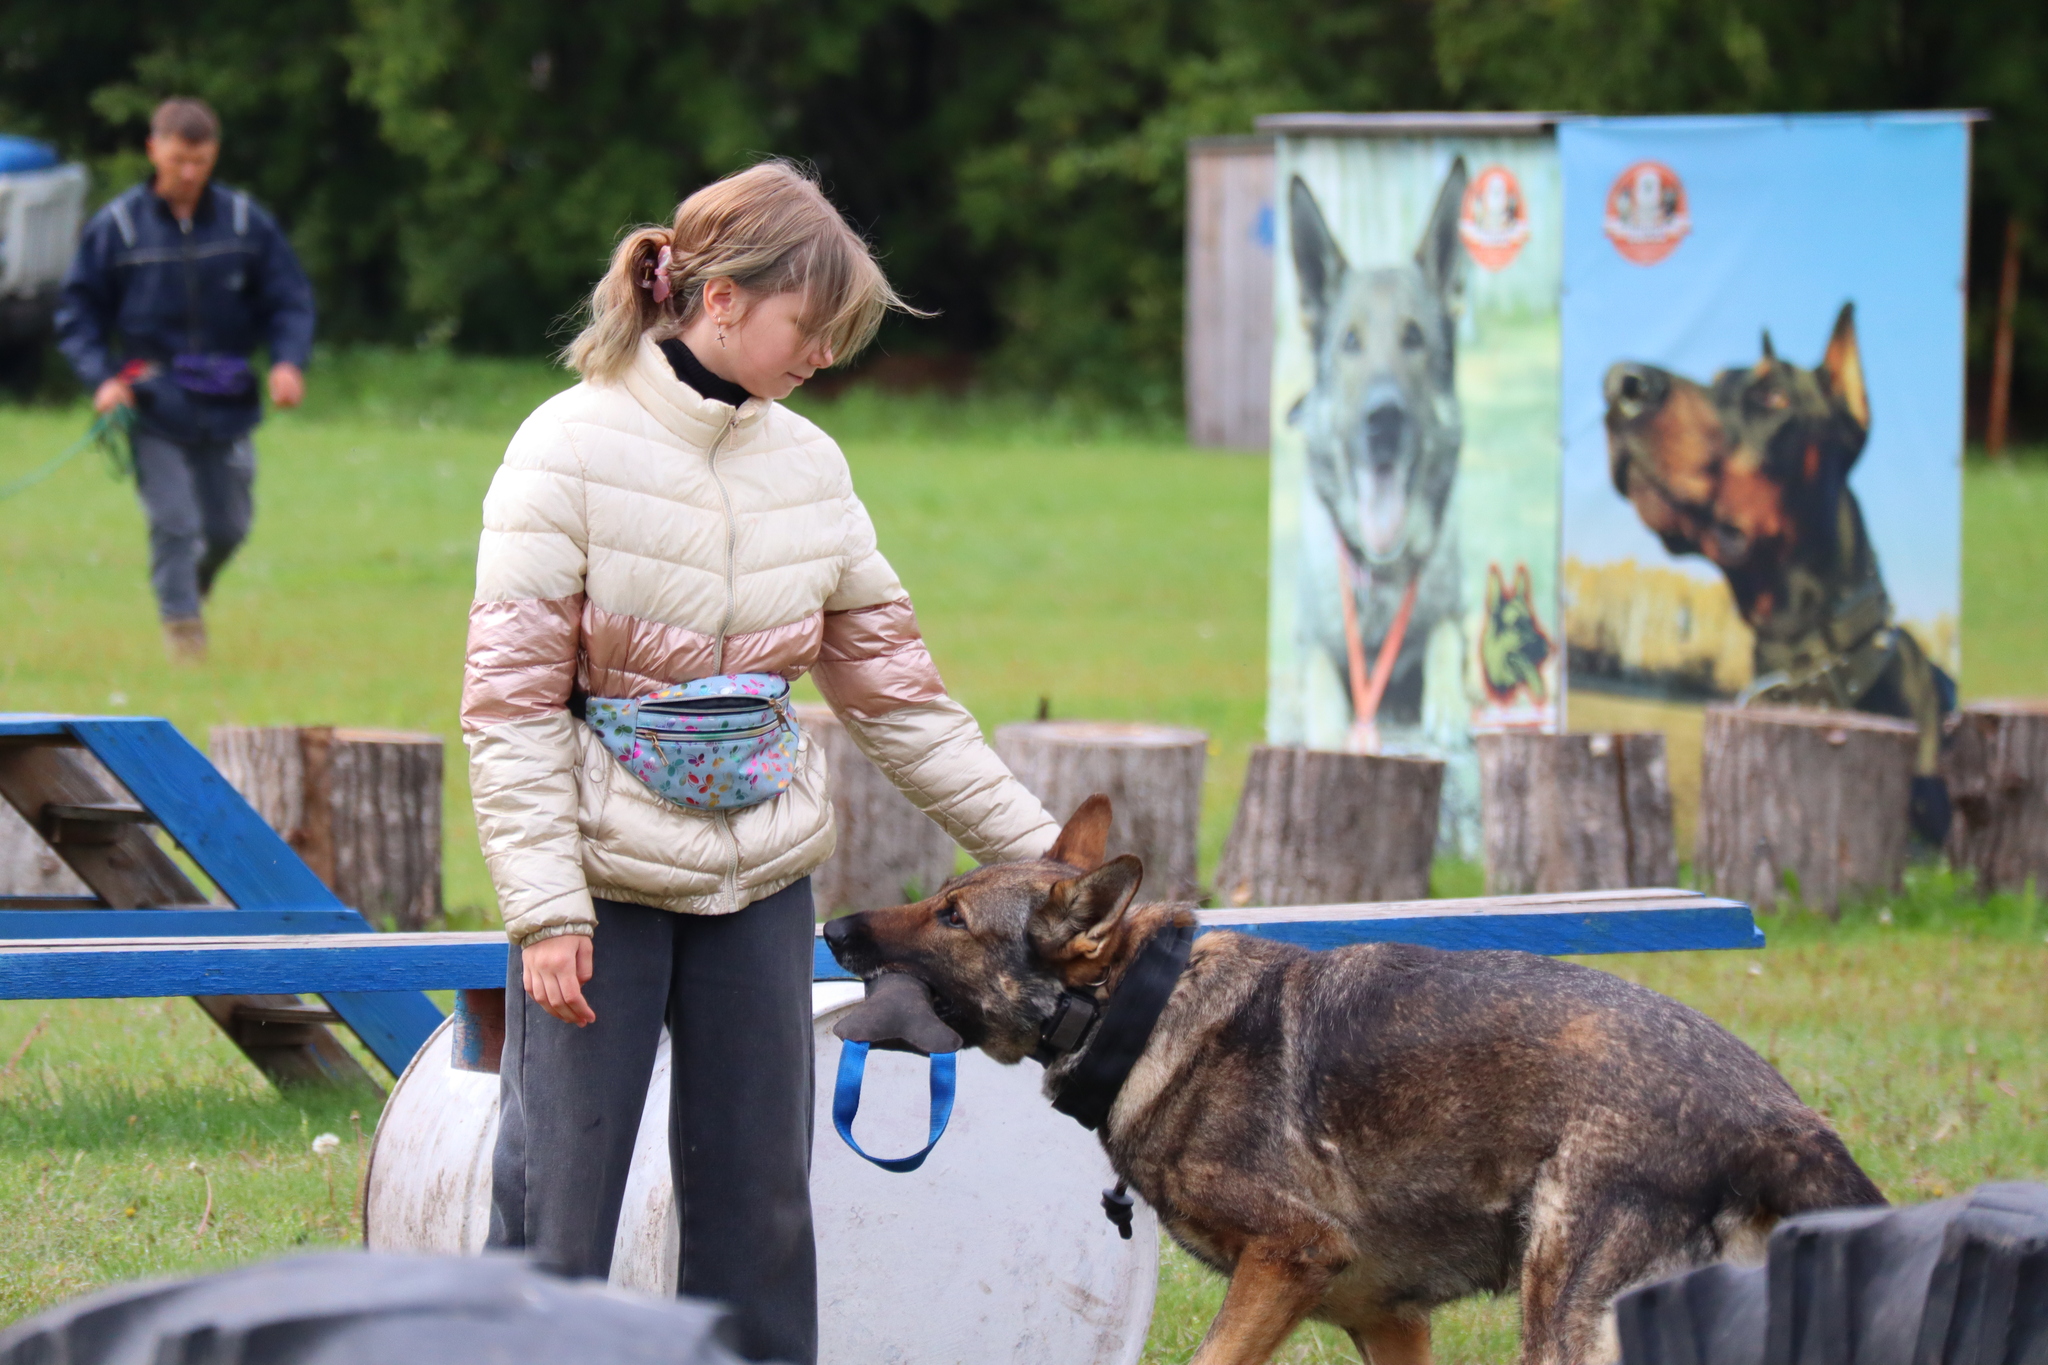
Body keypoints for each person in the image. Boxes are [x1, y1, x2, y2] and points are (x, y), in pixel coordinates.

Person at [462, 160, 1057, 1364]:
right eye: (810, 326)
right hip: (599, 888)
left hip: (759, 883)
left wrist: (1040, 858)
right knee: (557, 1214)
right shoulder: (562, 450)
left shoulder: (812, 468)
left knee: (762, 1211)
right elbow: (512, 704)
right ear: (720, 300)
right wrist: (543, 909)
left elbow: (902, 700)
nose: (823, 358)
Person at [53, 96, 315, 663]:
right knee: (174, 519)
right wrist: (101, 380)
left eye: (200, 161)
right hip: (151, 399)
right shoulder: (117, 227)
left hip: (229, 397)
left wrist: (289, 361)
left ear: (213, 154)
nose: (190, 173)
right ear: (154, 151)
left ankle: (190, 589)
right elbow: (78, 313)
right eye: (178, 161)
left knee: (227, 527)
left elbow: (290, 299)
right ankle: (183, 638)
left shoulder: (247, 222)